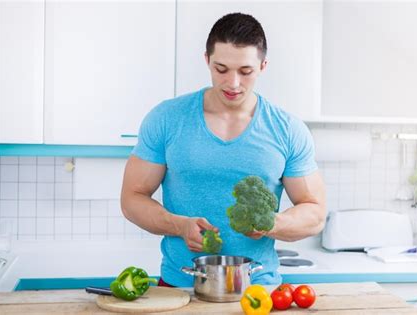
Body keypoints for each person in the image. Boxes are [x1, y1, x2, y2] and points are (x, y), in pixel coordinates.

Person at [121, 12, 326, 287]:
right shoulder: (167, 118)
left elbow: (314, 213)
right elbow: (132, 198)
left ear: (263, 66)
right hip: (180, 286)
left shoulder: (287, 129)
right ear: (206, 60)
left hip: (257, 290)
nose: (233, 83)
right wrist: (179, 226)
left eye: (245, 71)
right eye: (221, 69)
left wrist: (271, 223)